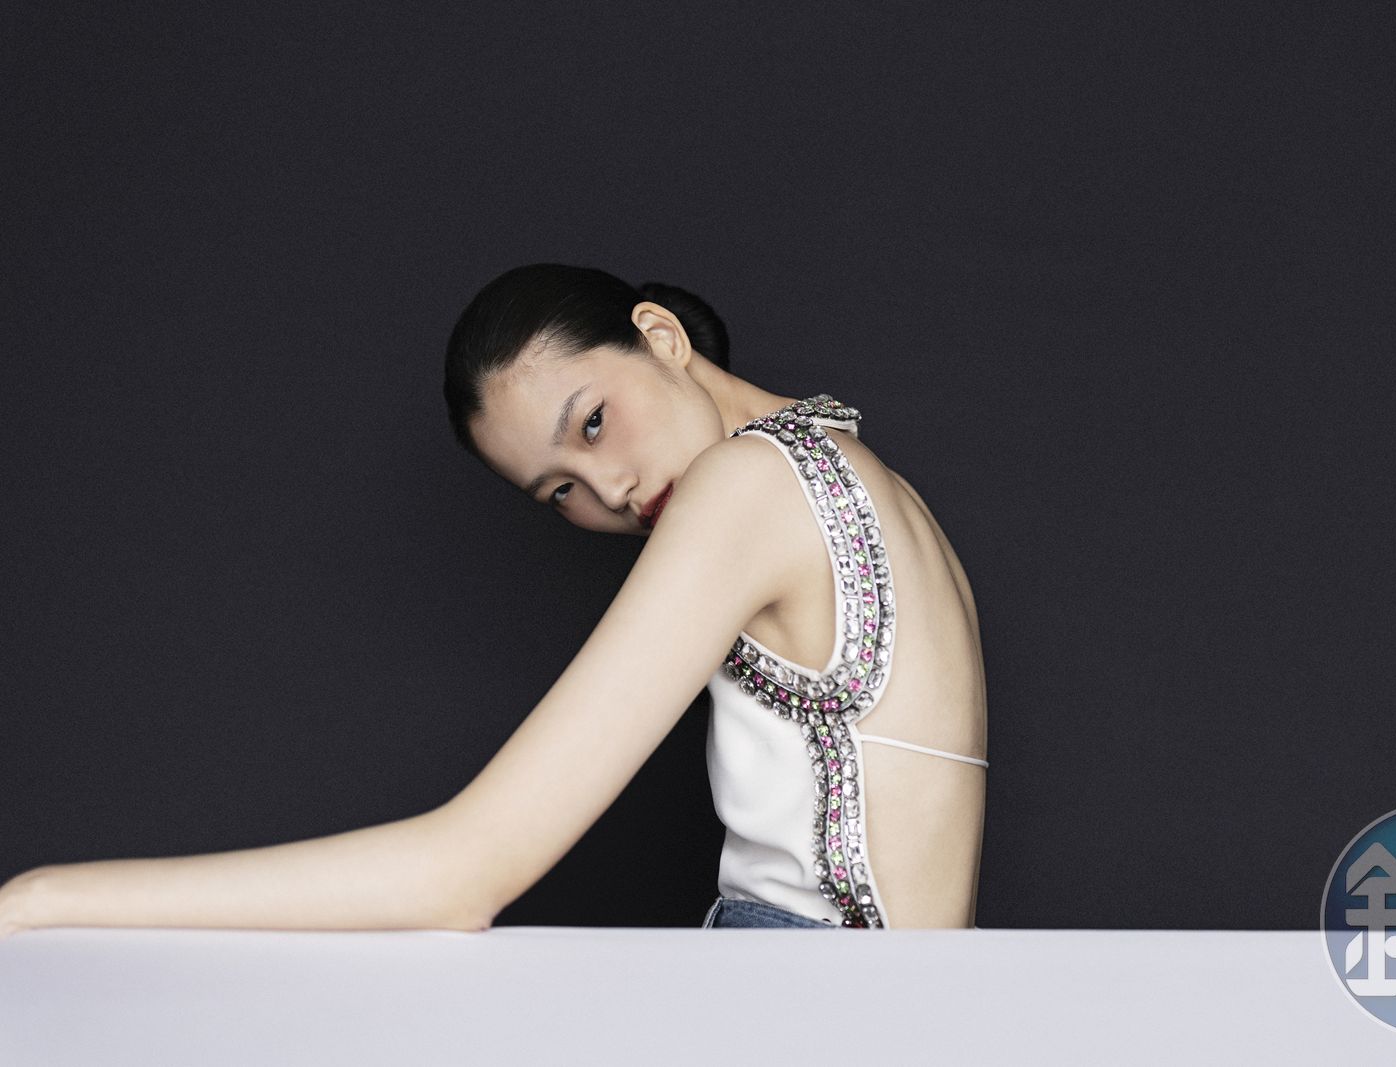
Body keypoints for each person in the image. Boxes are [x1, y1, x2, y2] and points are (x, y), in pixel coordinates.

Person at [0, 264, 988, 937]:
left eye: (592, 422)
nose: (608, 492)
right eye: (558, 491)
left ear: (659, 336)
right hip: (889, 1010)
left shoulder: (749, 485)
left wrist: (47, 899)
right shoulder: (860, 473)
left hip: (798, 1004)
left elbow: (461, 871)